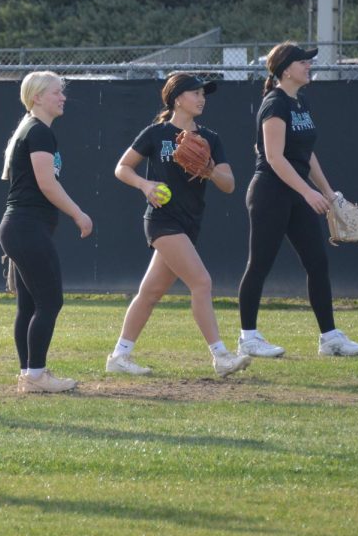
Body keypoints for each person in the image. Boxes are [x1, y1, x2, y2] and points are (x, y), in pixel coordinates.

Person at [107, 73, 252, 378]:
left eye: (203, 94)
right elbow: (122, 168)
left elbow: (229, 185)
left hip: (189, 222)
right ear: (176, 99)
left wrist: (210, 169)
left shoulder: (210, 138)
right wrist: (145, 185)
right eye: (195, 93)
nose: (202, 99)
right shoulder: (156, 134)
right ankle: (221, 356)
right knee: (201, 282)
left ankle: (119, 356)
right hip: (162, 219)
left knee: (149, 294)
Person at [237, 42, 358, 358]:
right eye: (303, 62)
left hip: (296, 193)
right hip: (271, 192)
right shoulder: (275, 103)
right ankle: (248, 337)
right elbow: (274, 157)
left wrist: (328, 192)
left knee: (317, 262)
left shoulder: (300, 102)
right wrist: (307, 192)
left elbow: (305, 154)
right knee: (260, 264)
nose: (309, 65)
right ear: (286, 70)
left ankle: (330, 338)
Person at [0, 71, 93, 393]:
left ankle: (30, 373)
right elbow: (46, 183)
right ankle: (36, 374)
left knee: (30, 305)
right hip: (25, 227)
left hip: (21, 228)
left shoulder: (33, 129)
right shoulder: (38, 132)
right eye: (56, 92)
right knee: (50, 302)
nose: (63, 97)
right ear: (37, 97)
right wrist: (78, 214)